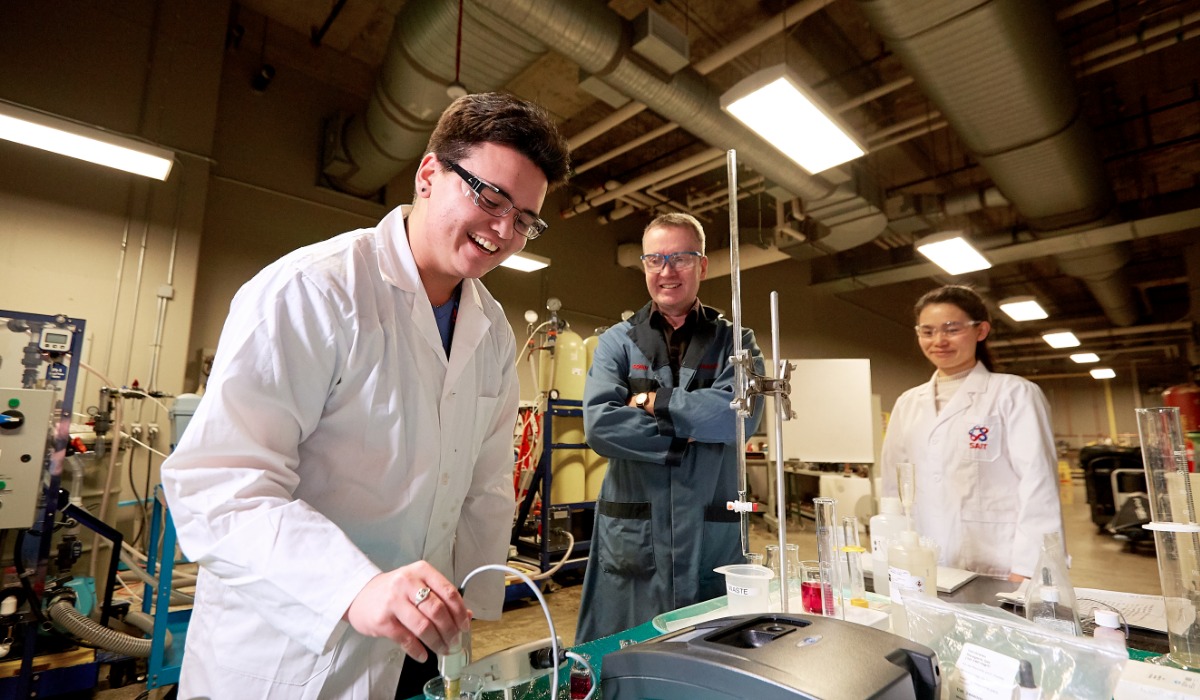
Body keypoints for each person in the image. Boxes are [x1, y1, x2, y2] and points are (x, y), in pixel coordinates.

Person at [161, 92, 570, 699]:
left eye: (525, 219)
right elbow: (219, 484)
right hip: (292, 650)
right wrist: (353, 586)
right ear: (429, 175)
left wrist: (470, 614)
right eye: (490, 197)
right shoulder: (313, 291)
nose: (504, 231)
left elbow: (482, 486)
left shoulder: (488, 331)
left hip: (420, 651)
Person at [575, 212, 764, 643]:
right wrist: (691, 430)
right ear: (643, 265)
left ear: (702, 265)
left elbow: (741, 417)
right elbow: (601, 426)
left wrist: (652, 402)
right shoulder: (617, 342)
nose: (667, 270)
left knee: (710, 657)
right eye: (655, 259)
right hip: (635, 533)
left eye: (680, 257)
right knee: (624, 654)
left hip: (709, 528)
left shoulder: (737, 343)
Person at [880, 285, 1064, 581]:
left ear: (981, 331)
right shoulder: (908, 403)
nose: (939, 340)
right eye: (927, 332)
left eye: (952, 329)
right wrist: (892, 550)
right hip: (922, 561)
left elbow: (1038, 482)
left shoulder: (1014, 393)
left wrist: (1030, 567)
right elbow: (893, 486)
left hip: (999, 562)